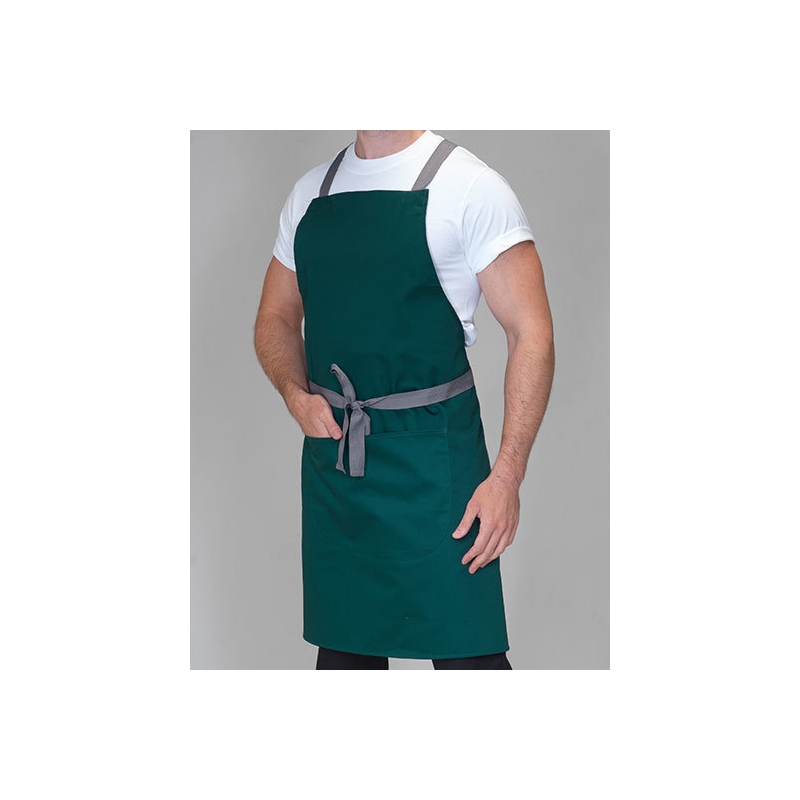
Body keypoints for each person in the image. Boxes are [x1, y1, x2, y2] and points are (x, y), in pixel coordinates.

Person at [254, 130, 554, 670]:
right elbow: (275, 315)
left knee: (470, 663)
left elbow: (531, 333)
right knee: (343, 660)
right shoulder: (311, 195)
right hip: (339, 471)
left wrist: (507, 477)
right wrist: (296, 395)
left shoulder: (470, 188)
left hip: (438, 470)